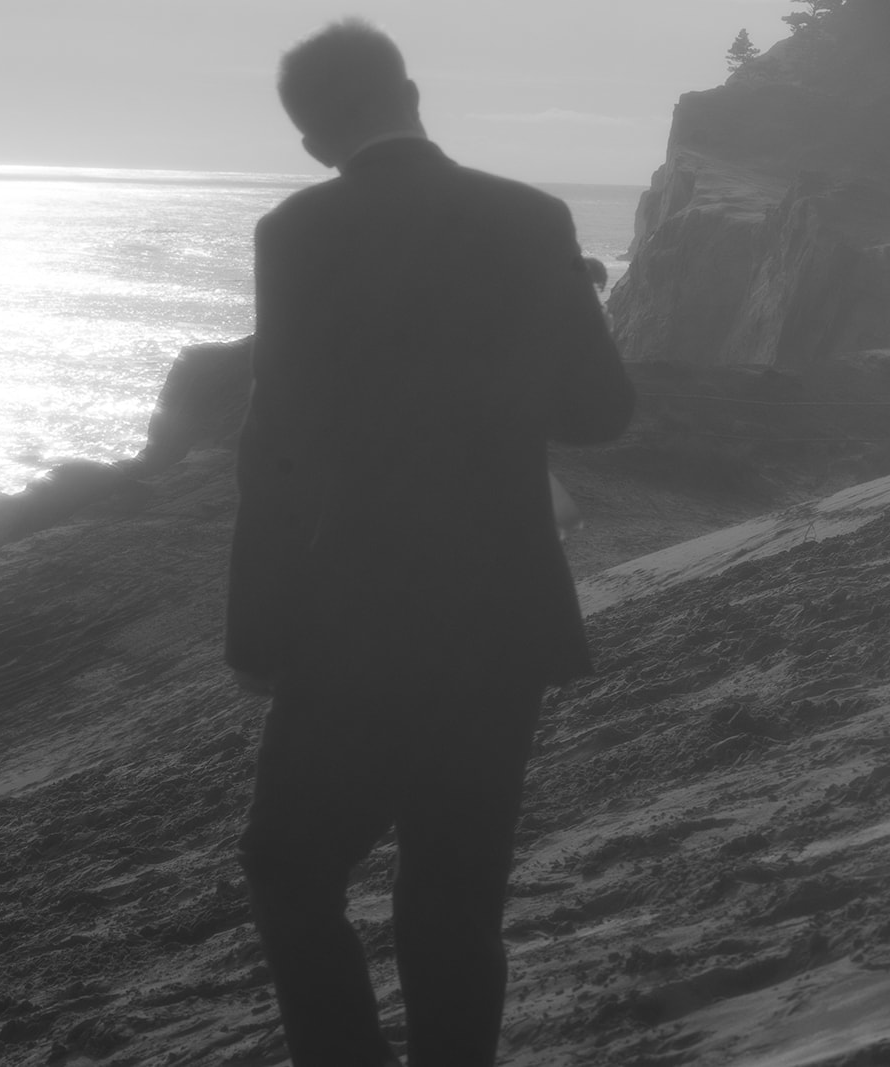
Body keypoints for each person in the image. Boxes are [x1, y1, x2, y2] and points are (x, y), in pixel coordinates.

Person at [226, 18, 633, 1067]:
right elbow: (598, 412)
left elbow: (278, 444)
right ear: (410, 95)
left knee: (286, 864)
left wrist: (255, 631)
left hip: (354, 615)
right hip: (502, 613)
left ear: (313, 138)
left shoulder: (297, 231)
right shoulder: (532, 217)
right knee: (455, 889)